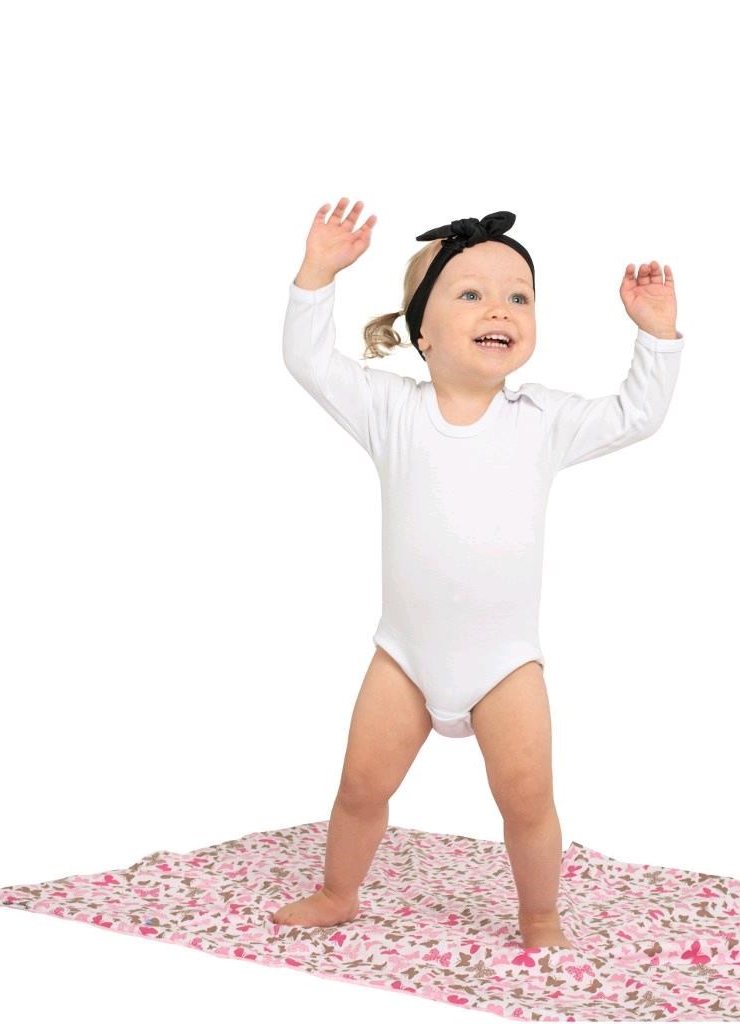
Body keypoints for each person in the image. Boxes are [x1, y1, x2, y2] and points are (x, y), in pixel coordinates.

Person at [272, 197, 685, 950]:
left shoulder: (542, 420)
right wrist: (316, 275)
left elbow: (636, 416)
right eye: (472, 293)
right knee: (360, 789)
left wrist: (656, 337)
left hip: (504, 666)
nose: (500, 309)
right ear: (422, 331)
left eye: (519, 297)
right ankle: (338, 893)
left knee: (528, 804)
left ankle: (540, 916)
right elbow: (310, 361)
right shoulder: (391, 410)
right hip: (404, 657)